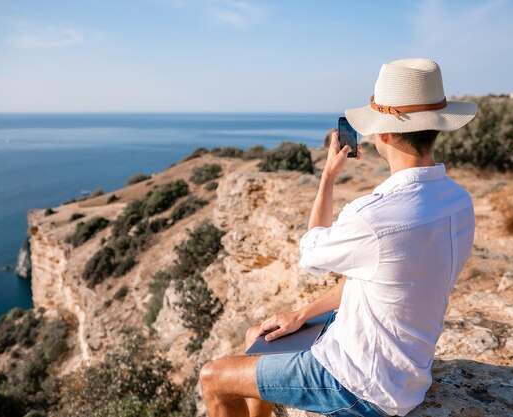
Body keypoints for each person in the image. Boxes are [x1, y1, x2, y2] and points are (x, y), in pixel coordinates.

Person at [199, 58, 478, 417]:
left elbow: (311, 252)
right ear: (436, 128)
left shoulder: (373, 216)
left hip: (360, 383)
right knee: (259, 333)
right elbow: (381, 278)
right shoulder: (458, 201)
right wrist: (303, 313)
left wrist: (328, 176)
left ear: (385, 135)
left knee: (213, 376)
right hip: (403, 368)